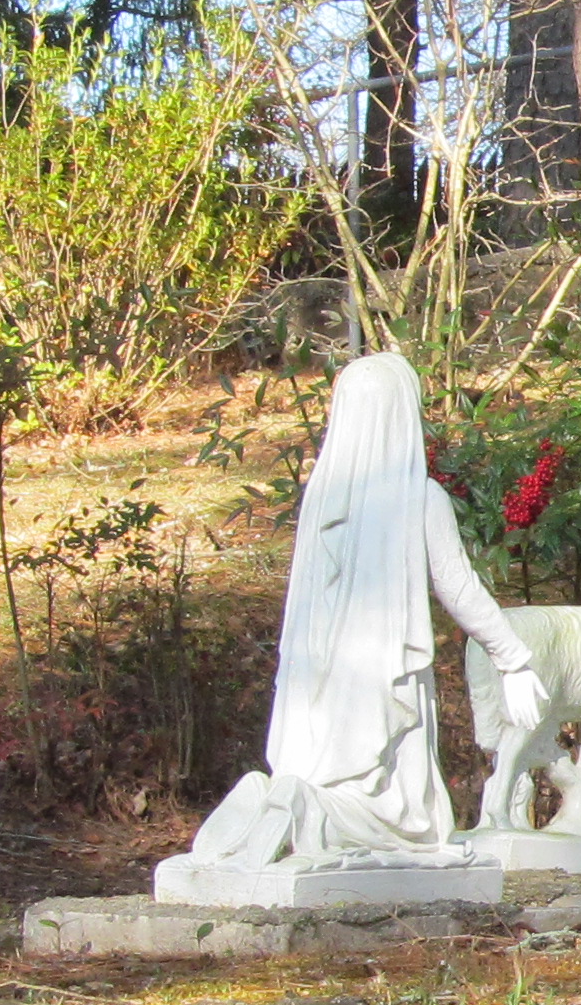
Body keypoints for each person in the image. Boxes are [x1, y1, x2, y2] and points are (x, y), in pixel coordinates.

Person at [181, 353, 543, 872]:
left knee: (335, 776)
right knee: (407, 823)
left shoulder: (325, 497)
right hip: (383, 673)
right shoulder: (420, 497)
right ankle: (306, 809)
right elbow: (458, 587)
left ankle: (279, 797)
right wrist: (513, 659)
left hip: (319, 674)